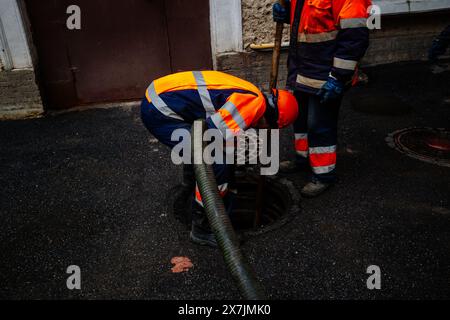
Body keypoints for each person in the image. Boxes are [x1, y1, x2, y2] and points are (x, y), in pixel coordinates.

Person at [141, 70, 299, 247]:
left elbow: (223, 128)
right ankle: (203, 228)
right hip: (161, 111)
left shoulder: (253, 94)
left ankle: (190, 186)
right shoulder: (253, 105)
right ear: (273, 120)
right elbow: (210, 134)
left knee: (210, 155)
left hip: (159, 96)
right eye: (270, 128)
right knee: (217, 165)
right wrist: (232, 164)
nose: (265, 129)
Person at [273, 0, 371, 197]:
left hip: (326, 75)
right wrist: (285, 9)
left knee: (319, 124)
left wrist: (338, 78)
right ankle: (303, 158)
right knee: (298, 118)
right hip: (302, 69)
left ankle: (323, 174)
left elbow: (355, 39)